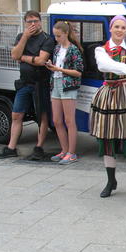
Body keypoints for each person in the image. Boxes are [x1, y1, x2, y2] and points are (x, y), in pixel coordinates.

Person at [90, 15, 126, 197]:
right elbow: (105, 66)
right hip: (109, 95)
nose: (120, 30)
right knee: (107, 138)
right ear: (110, 28)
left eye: (123, 28)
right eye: (117, 27)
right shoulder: (101, 50)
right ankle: (111, 180)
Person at [0, 11, 55, 160]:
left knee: (42, 116)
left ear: (40, 22)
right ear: (25, 23)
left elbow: (41, 61)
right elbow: (14, 55)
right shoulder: (21, 37)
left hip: (41, 83)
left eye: (35, 21)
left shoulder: (47, 39)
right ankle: (11, 148)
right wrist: (25, 37)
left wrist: (24, 57)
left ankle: (39, 147)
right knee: (16, 115)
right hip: (24, 83)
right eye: (29, 22)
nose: (32, 24)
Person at [45, 21, 84, 164]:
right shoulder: (56, 49)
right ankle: (64, 150)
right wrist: (51, 66)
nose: (57, 38)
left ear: (66, 33)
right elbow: (57, 67)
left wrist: (59, 69)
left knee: (69, 120)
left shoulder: (73, 50)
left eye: (59, 36)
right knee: (56, 120)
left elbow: (78, 72)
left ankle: (72, 153)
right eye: (55, 36)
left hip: (68, 85)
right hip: (56, 83)